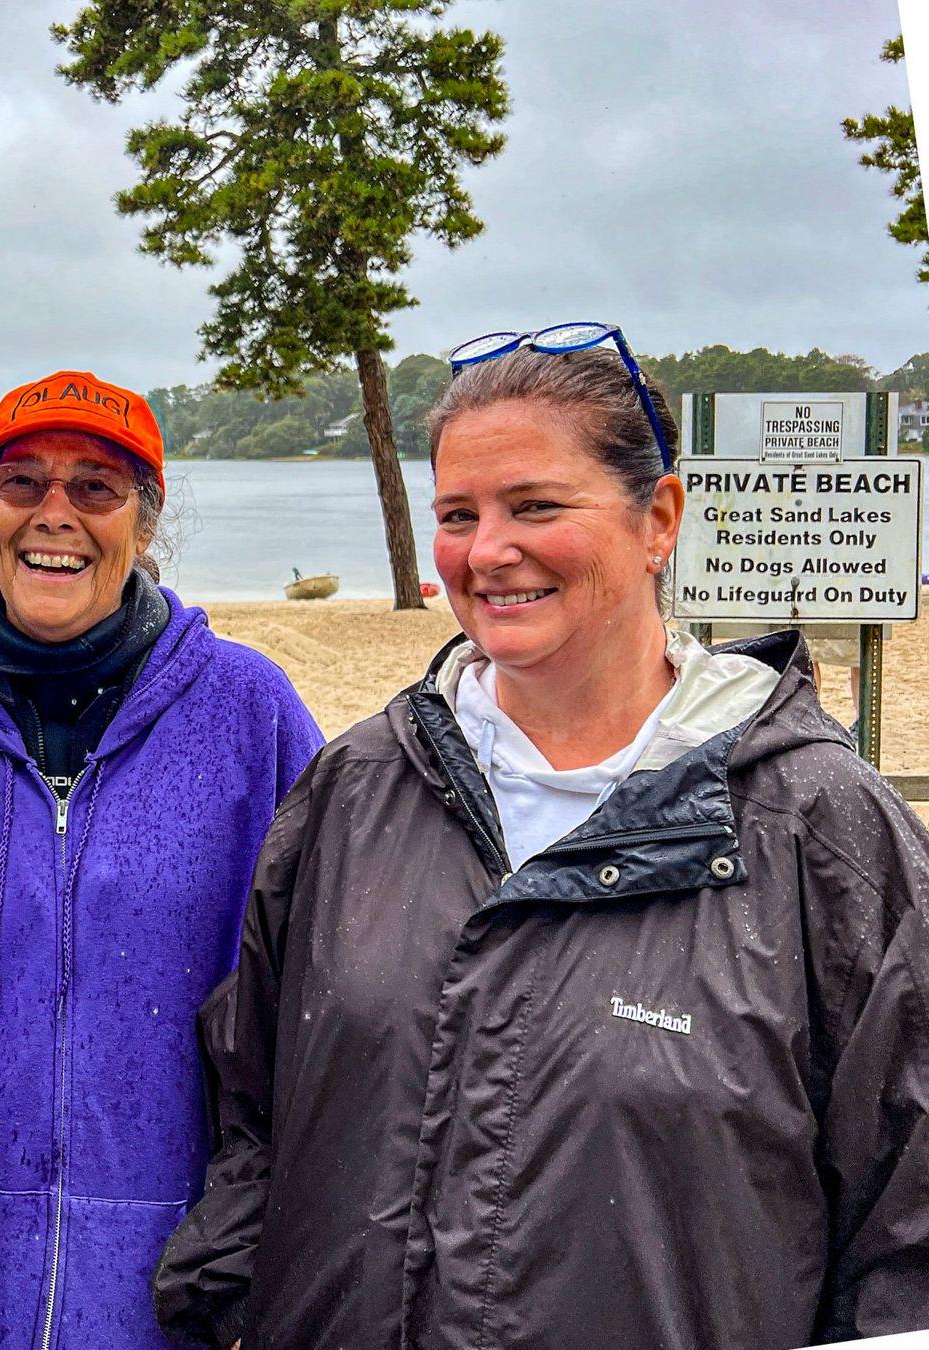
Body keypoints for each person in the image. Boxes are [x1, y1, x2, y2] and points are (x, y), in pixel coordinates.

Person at [154, 329, 929, 1349]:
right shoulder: (356, 791)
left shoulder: (818, 828)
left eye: (536, 506)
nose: (488, 552)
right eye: (457, 516)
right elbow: (251, 1099)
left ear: (659, 519)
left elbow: (906, 1230)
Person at [0, 370, 322, 1349]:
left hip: (186, 1288)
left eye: (95, 486)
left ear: (144, 522)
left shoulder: (249, 710)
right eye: (22, 483)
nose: (54, 513)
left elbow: (326, 989)